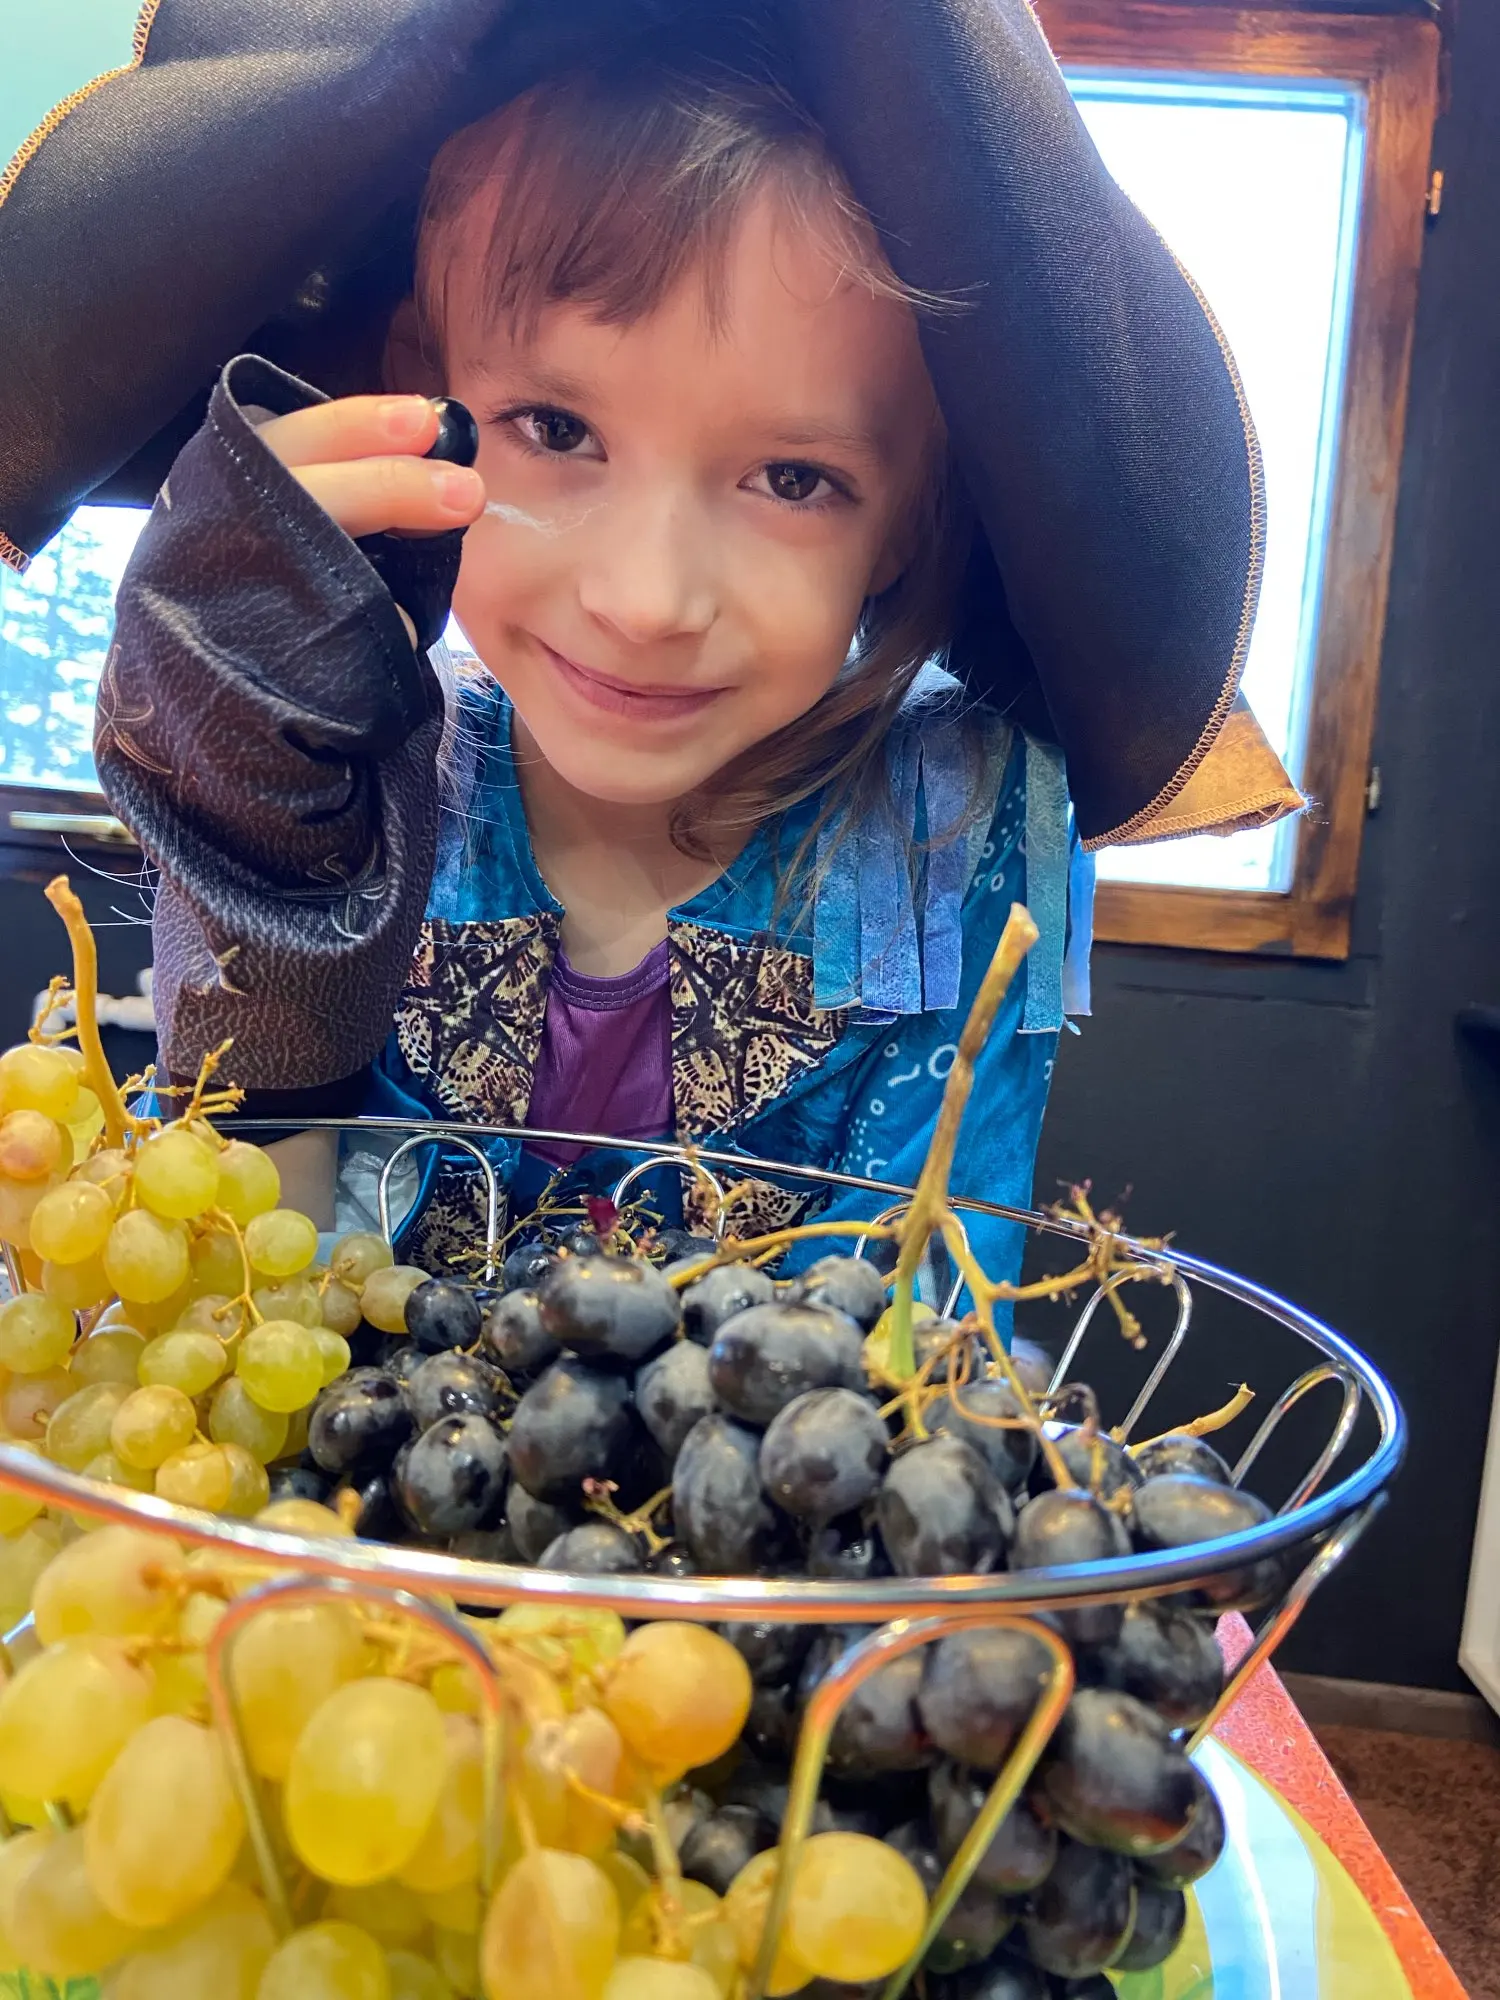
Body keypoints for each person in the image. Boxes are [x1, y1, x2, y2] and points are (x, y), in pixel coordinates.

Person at [0, 4, 1301, 1286]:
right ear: (422, 394)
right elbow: (247, 1313)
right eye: (557, 428)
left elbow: (918, 1373)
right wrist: (251, 847)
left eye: (793, 478)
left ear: (914, 513)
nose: (646, 599)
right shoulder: (327, 760)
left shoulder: (957, 830)